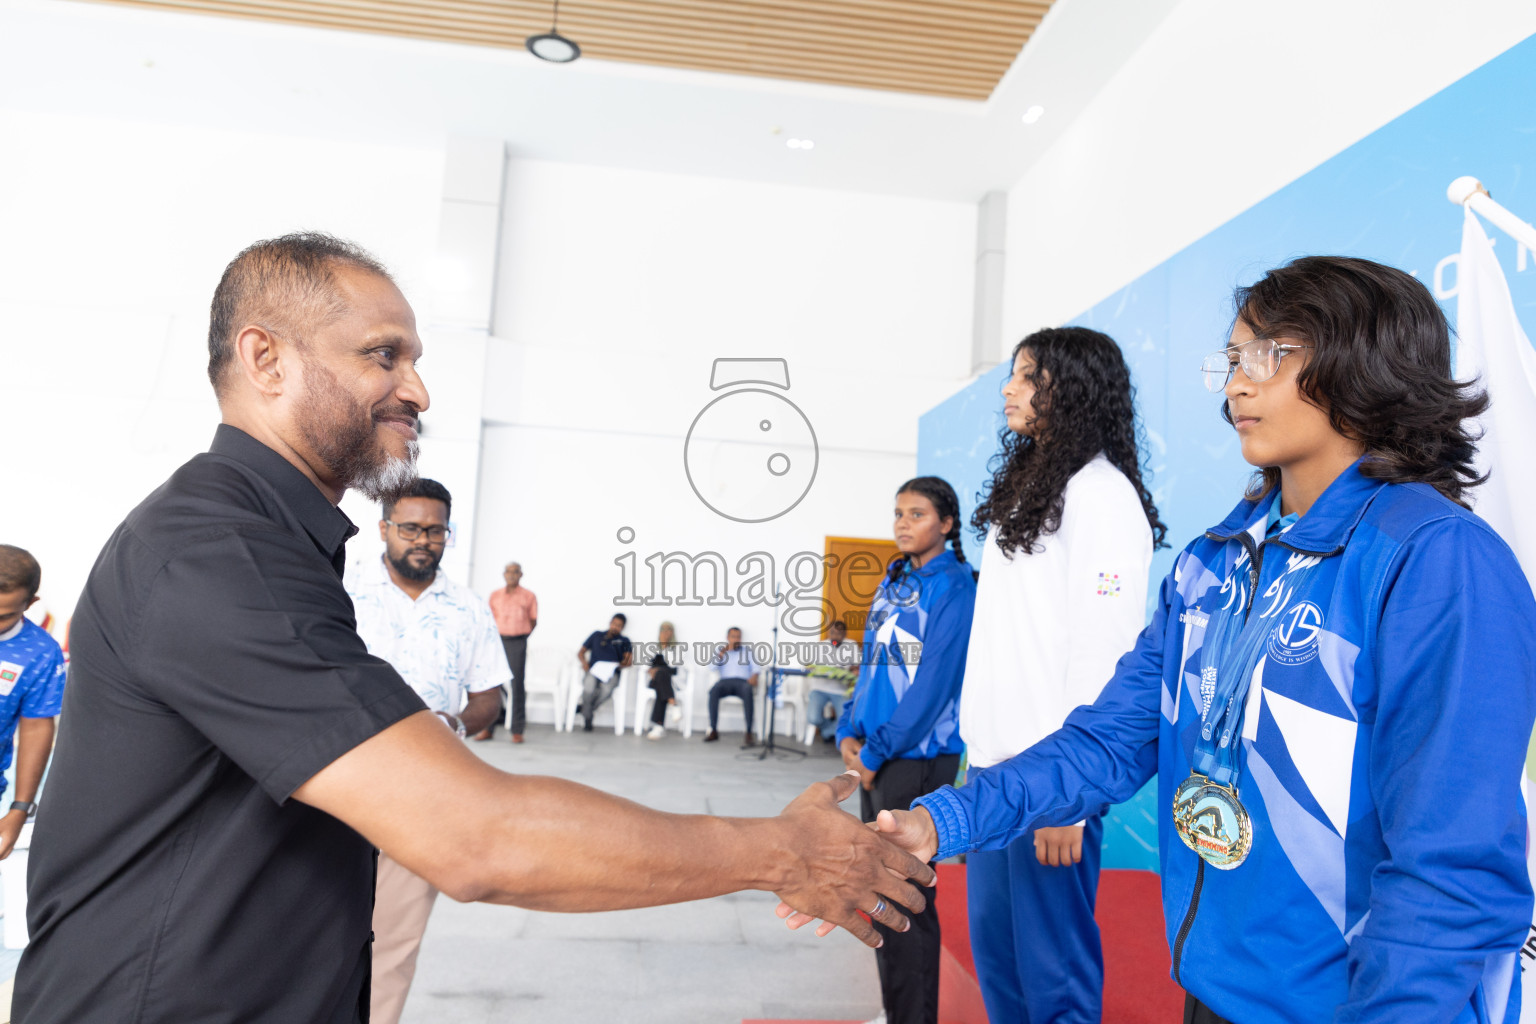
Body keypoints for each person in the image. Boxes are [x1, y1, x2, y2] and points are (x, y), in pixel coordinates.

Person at [13, 232, 937, 1024]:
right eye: (384, 355)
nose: (417, 389)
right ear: (267, 361)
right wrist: (780, 853)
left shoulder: (264, 544)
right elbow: (478, 836)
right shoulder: (216, 555)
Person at [851, 256, 1536, 1024]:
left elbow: (1452, 868)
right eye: (1234, 358)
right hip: (1211, 986)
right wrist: (942, 820)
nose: (1236, 384)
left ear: (1365, 364)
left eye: (1270, 356)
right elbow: (1108, 740)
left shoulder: (1438, 561)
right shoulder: (1218, 559)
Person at [962, 325, 1167, 1023]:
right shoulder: (1031, 487)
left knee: (1054, 975)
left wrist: (1071, 797)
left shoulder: (1104, 496)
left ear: (1070, 388)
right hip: (994, 770)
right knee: (1000, 963)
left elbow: (1105, 651)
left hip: (1051, 778)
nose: (1008, 389)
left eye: (1025, 375)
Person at [346, 477, 506, 1024]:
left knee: (391, 948)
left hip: (423, 794)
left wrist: (455, 722)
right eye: (411, 527)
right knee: (295, 935)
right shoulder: (341, 592)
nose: (424, 540)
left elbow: (490, 697)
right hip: (336, 785)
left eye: (437, 531)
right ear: (384, 528)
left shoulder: (467, 609)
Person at [836, 478, 977, 1024]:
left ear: (945, 524)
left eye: (917, 514)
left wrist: (876, 753)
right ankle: (898, 1011)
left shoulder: (956, 587)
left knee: (908, 899)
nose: (902, 523)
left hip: (918, 762)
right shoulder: (895, 580)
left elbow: (933, 687)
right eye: (898, 513)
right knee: (880, 893)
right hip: (877, 755)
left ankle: (913, 1018)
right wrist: (849, 731)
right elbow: (869, 664)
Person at [0, 546, 66, 862]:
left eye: (2, 616)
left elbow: (36, 728)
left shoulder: (41, 653)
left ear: (30, 603)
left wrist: (19, 809)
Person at [480, 560, 538, 742]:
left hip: (517, 642)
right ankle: (488, 728)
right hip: (496, 642)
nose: (511, 574)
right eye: (508, 571)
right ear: (503, 574)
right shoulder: (495, 595)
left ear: (521, 574)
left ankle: (517, 730)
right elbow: (488, 619)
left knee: (517, 685)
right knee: (492, 686)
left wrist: (520, 637)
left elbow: (533, 620)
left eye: (515, 571)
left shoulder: (528, 596)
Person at [577, 613, 633, 732]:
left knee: (607, 690)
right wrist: (584, 663)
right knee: (588, 688)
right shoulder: (597, 635)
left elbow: (628, 662)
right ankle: (588, 715)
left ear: (622, 628)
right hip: (594, 670)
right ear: (610, 623)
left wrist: (617, 665)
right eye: (614, 624)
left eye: (619, 626)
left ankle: (585, 710)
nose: (615, 627)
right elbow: (581, 652)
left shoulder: (624, 640)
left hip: (611, 673)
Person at [805, 619, 858, 744]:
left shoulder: (851, 645)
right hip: (819, 689)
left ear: (845, 634)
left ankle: (828, 732)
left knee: (844, 720)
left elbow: (856, 668)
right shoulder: (820, 646)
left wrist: (852, 671)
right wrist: (812, 666)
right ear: (829, 633)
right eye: (832, 632)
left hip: (840, 690)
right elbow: (808, 664)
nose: (835, 636)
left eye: (839, 633)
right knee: (813, 718)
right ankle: (828, 729)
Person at [706, 626, 760, 747]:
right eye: (733, 637)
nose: (736, 639)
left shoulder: (747, 651)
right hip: (725, 682)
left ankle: (749, 732)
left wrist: (754, 677)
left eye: (738, 637)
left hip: (742, 683)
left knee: (748, 690)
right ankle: (713, 730)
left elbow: (756, 668)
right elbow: (711, 668)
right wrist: (721, 654)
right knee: (713, 691)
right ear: (728, 638)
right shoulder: (721, 651)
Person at [645, 621, 685, 740]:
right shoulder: (652, 648)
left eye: (668, 630)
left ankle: (658, 726)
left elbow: (673, 665)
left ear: (672, 633)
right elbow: (645, 665)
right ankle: (674, 704)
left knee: (661, 680)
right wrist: (651, 670)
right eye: (663, 630)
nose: (665, 633)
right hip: (655, 681)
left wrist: (665, 647)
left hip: (671, 681)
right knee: (660, 677)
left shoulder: (677, 648)